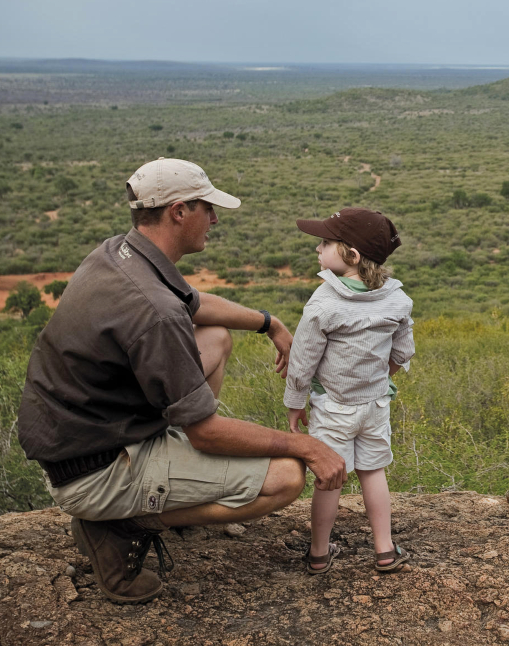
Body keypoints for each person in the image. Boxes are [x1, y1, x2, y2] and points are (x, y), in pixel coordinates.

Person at [17, 157, 347, 605]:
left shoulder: (118, 254)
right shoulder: (155, 312)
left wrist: (270, 323)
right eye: (207, 209)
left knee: (215, 337)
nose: (214, 219)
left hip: (81, 438)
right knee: (287, 476)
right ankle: (121, 525)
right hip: (95, 472)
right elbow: (206, 432)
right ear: (178, 212)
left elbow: (193, 303)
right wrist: (306, 446)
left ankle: (152, 488)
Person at [285, 208, 414, 574]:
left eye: (326, 243)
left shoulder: (324, 302)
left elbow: (303, 360)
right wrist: (380, 378)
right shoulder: (397, 300)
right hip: (375, 405)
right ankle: (384, 549)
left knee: (330, 479)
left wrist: (295, 403)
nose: (318, 249)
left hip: (333, 408)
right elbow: (403, 352)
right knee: (373, 473)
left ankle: (319, 553)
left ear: (352, 256)